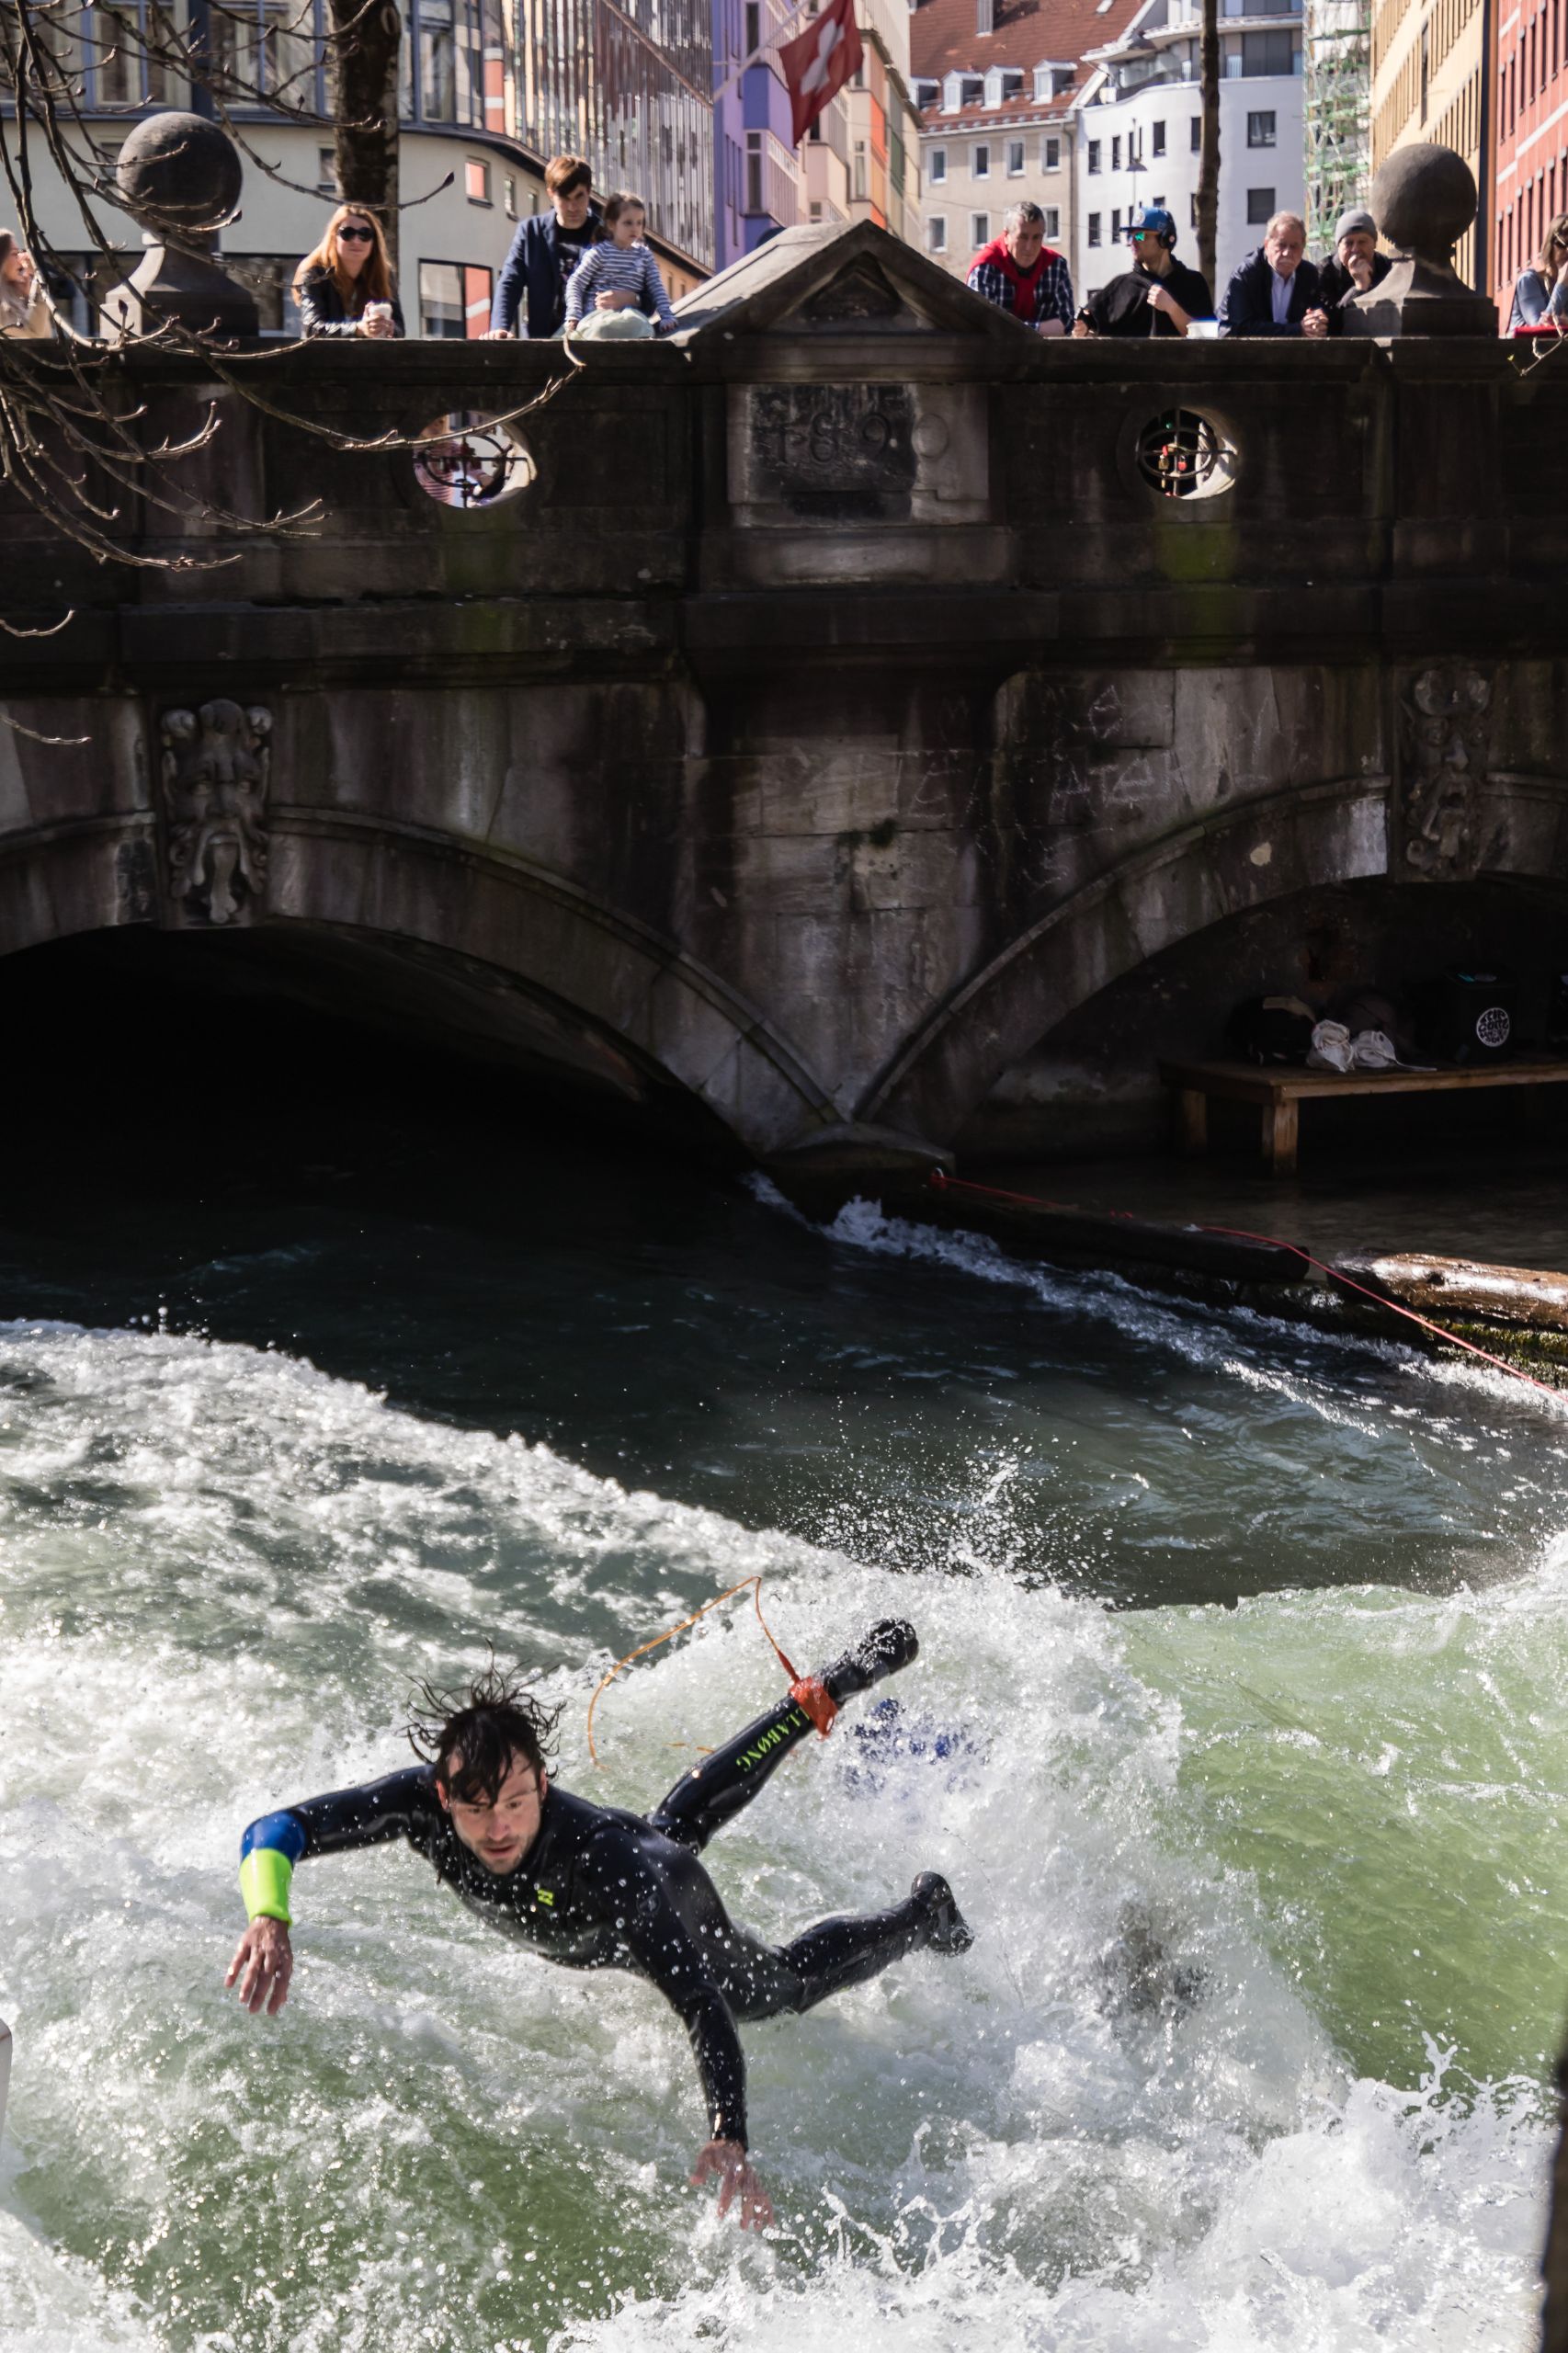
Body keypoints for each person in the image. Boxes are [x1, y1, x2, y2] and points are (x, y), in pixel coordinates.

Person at [224, 1622, 971, 2231]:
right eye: (475, 1808)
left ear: (543, 1785)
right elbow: (275, 1829)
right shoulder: (418, 1806)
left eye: (515, 1802)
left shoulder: (603, 1865)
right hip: (632, 1854)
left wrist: (730, 2132)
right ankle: (822, 1691)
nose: (497, 1828)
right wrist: (269, 1914)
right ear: (443, 1795)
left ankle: (921, 1913)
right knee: (672, 1822)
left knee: (775, 1986)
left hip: (657, 1888)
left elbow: (702, 2006)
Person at [485, 154, 603, 341]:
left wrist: (632, 299)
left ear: (589, 192)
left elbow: (645, 285)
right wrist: (499, 327)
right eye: (564, 198)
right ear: (550, 194)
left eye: (579, 197)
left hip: (596, 343)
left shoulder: (607, 234)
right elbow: (510, 282)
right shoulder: (531, 232)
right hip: (542, 342)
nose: (572, 207)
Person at [1073, 207, 1211, 338]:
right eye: (1130, 236)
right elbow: (1089, 328)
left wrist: (1172, 308)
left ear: (1165, 239)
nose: (1132, 242)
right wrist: (1084, 329)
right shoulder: (1121, 287)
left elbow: (1207, 339)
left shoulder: (1193, 283)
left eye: (1139, 236)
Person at [562, 192, 676, 340]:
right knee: (602, 329)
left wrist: (667, 315)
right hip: (597, 315)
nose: (635, 228)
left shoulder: (644, 256)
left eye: (639, 222)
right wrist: (574, 314)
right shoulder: (599, 253)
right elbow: (576, 282)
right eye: (628, 223)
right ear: (611, 224)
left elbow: (657, 287)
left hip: (629, 314)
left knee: (639, 327)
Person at [293, 205, 403, 340]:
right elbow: (311, 329)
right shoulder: (315, 275)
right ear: (334, 237)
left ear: (374, 242)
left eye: (365, 234)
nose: (356, 241)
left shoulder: (384, 275)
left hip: (372, 358)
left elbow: (400, 328)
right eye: (348, 233)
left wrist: (389, 328)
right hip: (324, 359)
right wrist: (359, 329)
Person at [966, 202, 1074, 336]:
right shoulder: (986, 266)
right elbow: (981, 323)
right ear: (1006, 236)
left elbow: (1068, 324)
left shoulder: (1056, 266)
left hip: (1044, 354)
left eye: (1036, 238)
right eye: (1023, 237)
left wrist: (1010, 327)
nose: (1029, 247)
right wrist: (1041, 328)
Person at [1218, 210, 1320, 336]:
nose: (1287, 253)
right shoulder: (1246, 274)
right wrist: (1297, 330)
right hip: (1244, 353)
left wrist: (1317, 322)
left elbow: (1316, 311)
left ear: (1303, 247)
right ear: (1266, 245)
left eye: (1294, 246)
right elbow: (1240, 329)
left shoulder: (1309, 275)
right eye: (1281, 245)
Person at [1302, 208, 1392, 337]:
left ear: (1374, 243)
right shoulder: (1322, 273)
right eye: (1349, 243)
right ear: (1338, 246)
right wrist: (1358, 287)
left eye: (1362, 242)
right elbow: (1331, 325)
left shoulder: (1387, 268)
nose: (1356, 249)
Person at [1506, 210, 1568, 332]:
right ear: (1550, 245)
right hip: (1523, 349)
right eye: (1562, 245)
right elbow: (1541, 328)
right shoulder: (1528, 281)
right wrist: (1561, 284)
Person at [0, 232, 53, 339]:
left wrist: (27, 298)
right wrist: (38, 281)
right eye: (15, 254)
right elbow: (33, 334)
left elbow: (45, 334)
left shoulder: (14, 293)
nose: (20, 261)